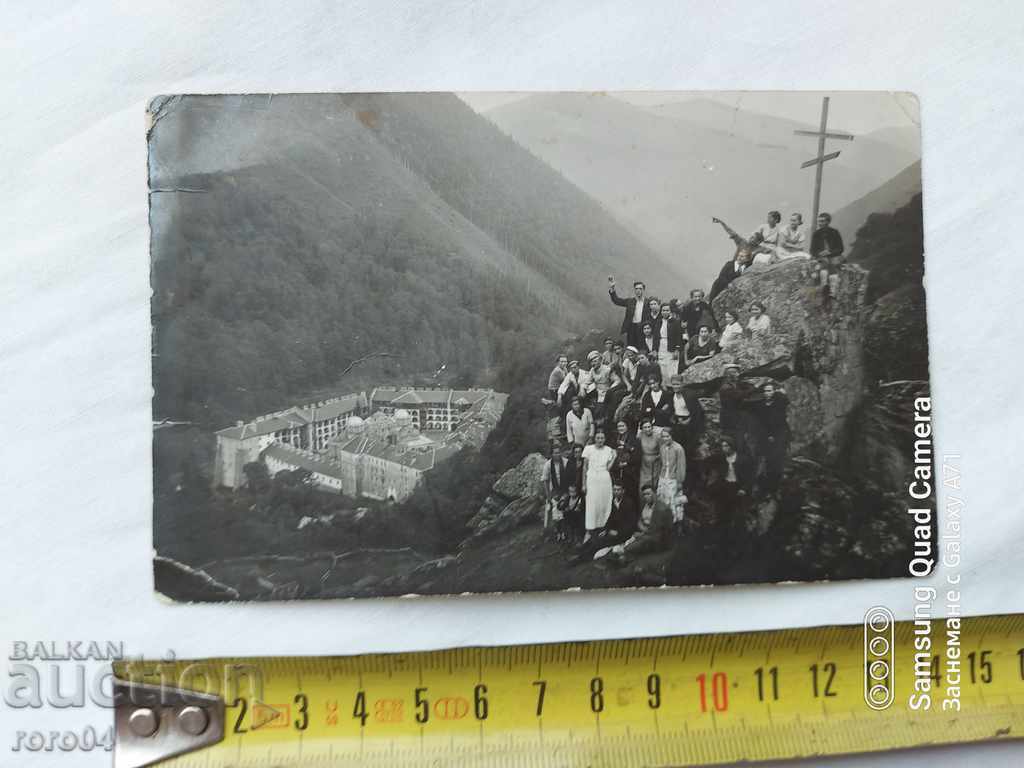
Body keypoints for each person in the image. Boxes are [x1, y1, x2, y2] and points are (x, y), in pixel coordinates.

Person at [752, 381, 789, 494]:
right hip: (765, 437)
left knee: (777, 461)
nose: (767, 393)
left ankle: (776, 487)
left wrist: (779, 392)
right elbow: (760, 423)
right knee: (766, 461)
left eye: (769, 391)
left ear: (774, 392)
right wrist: (768, 435)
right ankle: (765, 488)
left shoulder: (778, 403)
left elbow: (785, 400)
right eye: (765, 391)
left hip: (778, 435)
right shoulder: (760, 405)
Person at [582, 429, 617, 542]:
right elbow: (584, 467)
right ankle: (589, 530)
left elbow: (608, 468)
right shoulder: (588, 449)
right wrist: (584, 484)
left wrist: (614, 457)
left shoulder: (608, 450)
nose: (600, 440)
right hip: (592, 478)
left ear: (605, 439)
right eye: (598, 438)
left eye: (602, 438)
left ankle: (603, 528)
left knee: (604, 504)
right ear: (595, 438)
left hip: (604, 478)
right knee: (592, 504)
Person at [718, 363, 756, 454]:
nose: (737, 375)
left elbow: (743, 388)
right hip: (729, 421)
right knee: (733, 442)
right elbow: (739, 395)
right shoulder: (726, 388)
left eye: (737, 372)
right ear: (728, 375)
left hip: (736, 419)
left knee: (739, 440)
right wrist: (755, 387)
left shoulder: (735, 385)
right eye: (734, 373)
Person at [810, 212, 845, 297]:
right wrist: (819, 254)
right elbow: (812, 250)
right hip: (821, 257)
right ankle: (824, 286)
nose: (820, 224)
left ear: (828, 222)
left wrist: (830, 253)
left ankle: (832, 291)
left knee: (833, 263)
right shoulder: (816, 234)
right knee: (824, 264)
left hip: (833, 256)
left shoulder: (834, 232)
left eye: (822, 221)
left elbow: (840, 248)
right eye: (819, 221)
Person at [656, 427, 687, 521]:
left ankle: (673, 521)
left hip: (673, 478)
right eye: (663, 437)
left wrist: (679, 481)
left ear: (672, 436)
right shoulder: (662, 448)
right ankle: (663, 520)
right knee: (662, 499)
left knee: (672, 500)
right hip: (663, 477)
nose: (665, 439)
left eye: (667, 436)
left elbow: (681, 466)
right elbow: (662, 463)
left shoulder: (678, 448)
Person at [608, 277, 648, 348]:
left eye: (640, 289)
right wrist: (612, 288)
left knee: (643, 347)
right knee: (631, 348)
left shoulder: (648, 302)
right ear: (634, 290)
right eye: (636, 289)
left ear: (643, 290)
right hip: (631, 328)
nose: (638, 291)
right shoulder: (630, 301)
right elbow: (617, 301)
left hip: (643, 328)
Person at [541, 442, 572, 532]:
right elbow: (545, 481)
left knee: (566, 507)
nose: (557, 454)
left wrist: (568, 492)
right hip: (554, 490)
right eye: (555, 453)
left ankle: (567, 528)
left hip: (565, 489)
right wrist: (548, 496)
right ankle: (558, 529)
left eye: (558, 452)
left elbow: (570, 478)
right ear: (551, 454)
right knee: (556, 508)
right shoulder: (548, 465)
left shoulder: (566, 462)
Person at [653, 303, 682, 382]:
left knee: (672, 368)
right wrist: (655, 350)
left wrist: (677, 350)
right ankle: (665, 387)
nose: (665, 312)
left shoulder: (675, 322)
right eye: (663, 310)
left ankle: (673, 386)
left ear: (670, 311)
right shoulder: (658, 322)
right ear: (661, 311)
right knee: (662, 368)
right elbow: (655, 337)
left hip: (671, 347)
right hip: (661, 347)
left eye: (667, 310)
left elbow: (679, 337)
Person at [603, 367, 630, 436]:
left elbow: (606, 402)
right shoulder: (624, 385)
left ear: (613, 373)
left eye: (610, 375)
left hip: (612, 413)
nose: (609, 377)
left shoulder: (613, 389)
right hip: (618, 412)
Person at [637, 417, 661, 494]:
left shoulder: (657, 436)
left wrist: (658, 457)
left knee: (654, 485)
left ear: (652, 427)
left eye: (649, 427)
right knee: (643, 485)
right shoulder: (639, 436)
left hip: (655, 464)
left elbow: (662, 450)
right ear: (642, 428)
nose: (647, 429)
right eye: (645, 427)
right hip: (644, 464)